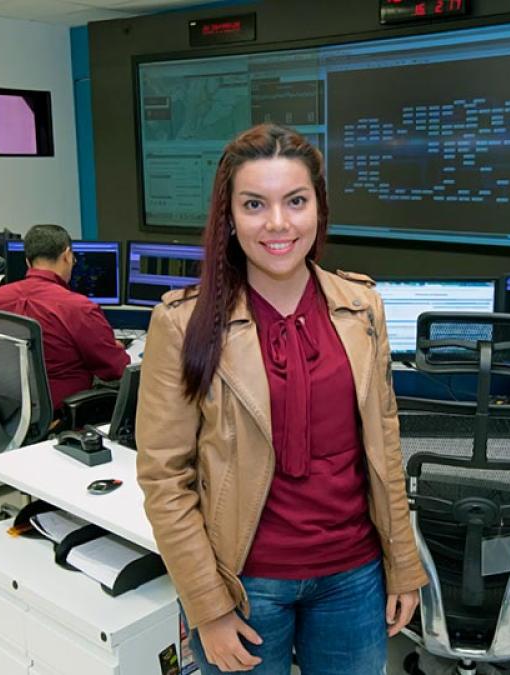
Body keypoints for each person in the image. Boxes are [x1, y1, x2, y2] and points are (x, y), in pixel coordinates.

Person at [136, 124, 428, 675]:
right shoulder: (183, 322)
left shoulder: (363, 307)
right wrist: (207, 606)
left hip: (353, 577)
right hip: (244, 585)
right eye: (254, 204)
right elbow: (164, 479)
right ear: (229, 216)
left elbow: (385, 444)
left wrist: (404, 564)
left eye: (295, 201)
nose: (277, 223)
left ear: (318, 207)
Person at [0, 223, 129, 410]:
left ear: (28, 261)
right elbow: (116, 369)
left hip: (5, 408)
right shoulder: (78, 307)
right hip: (62, 410)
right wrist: (113, 347)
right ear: (67, 255)